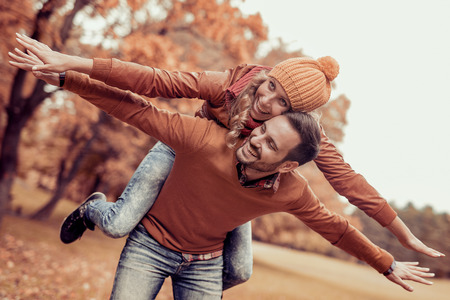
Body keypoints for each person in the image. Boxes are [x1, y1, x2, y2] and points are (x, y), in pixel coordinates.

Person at [10, 53, 437, 299]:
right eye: (269, 85)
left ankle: (194, 270)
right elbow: (152, 84)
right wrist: (69, 71)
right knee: (121, 222)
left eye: (281, 102)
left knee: (241, 269)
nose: (266, 100)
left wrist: (399, 240)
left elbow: (345, 195)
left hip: (243, 186)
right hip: (187, 150)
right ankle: (96, 210)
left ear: (296, 117)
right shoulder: (230, 87)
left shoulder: (299, 150)